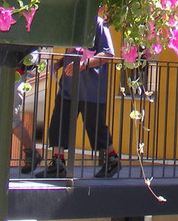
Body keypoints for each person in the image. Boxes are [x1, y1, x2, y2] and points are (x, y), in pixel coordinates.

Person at [40, 16, 121, 179]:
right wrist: (60, 63)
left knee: (95, 126)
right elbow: (73, 52)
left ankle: (112, 159)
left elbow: (107, 53)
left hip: (91, 88)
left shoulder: (99, 24)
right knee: (58, 123)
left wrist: (84, 64)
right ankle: (58, 163)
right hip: (69, 87)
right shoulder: (74, 22)